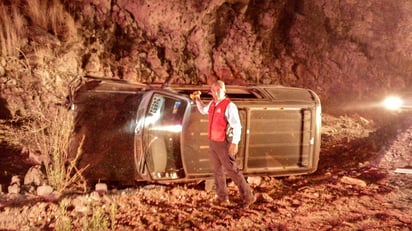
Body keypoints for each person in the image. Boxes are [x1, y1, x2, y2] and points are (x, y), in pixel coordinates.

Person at [192, 80, 256, 208]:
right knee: (217, 171)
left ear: (223, 91)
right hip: (213, 142)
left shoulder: (229, 106)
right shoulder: (212, 104)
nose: (215, 93)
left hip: (224, 143)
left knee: (232, 170)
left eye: (218, 90)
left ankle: (248, 197)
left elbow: (236, 125)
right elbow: (203, 110)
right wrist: (197, 100)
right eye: (213, 91)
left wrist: (234, 142)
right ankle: (222, 197)